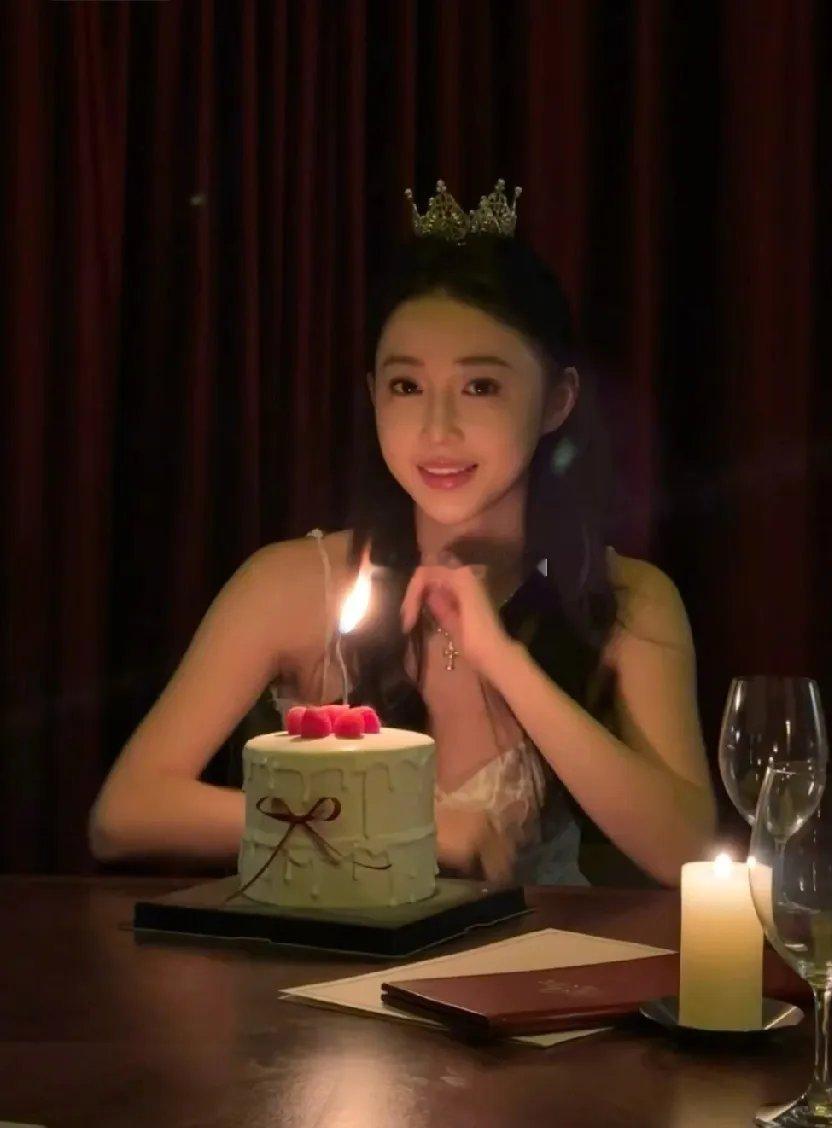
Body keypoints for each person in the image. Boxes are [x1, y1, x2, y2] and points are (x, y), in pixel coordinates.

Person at [89, 180, 718, 888]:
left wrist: (505, 660)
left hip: (536, 957)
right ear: (372, 395)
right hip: (323, 956)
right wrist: (405, 830)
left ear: (556, 401)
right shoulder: (293, 582)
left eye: (481, 386)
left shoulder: (626, 596)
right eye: (406, 386)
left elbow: (689, 853)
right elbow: (124, 814)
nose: (437, 430)